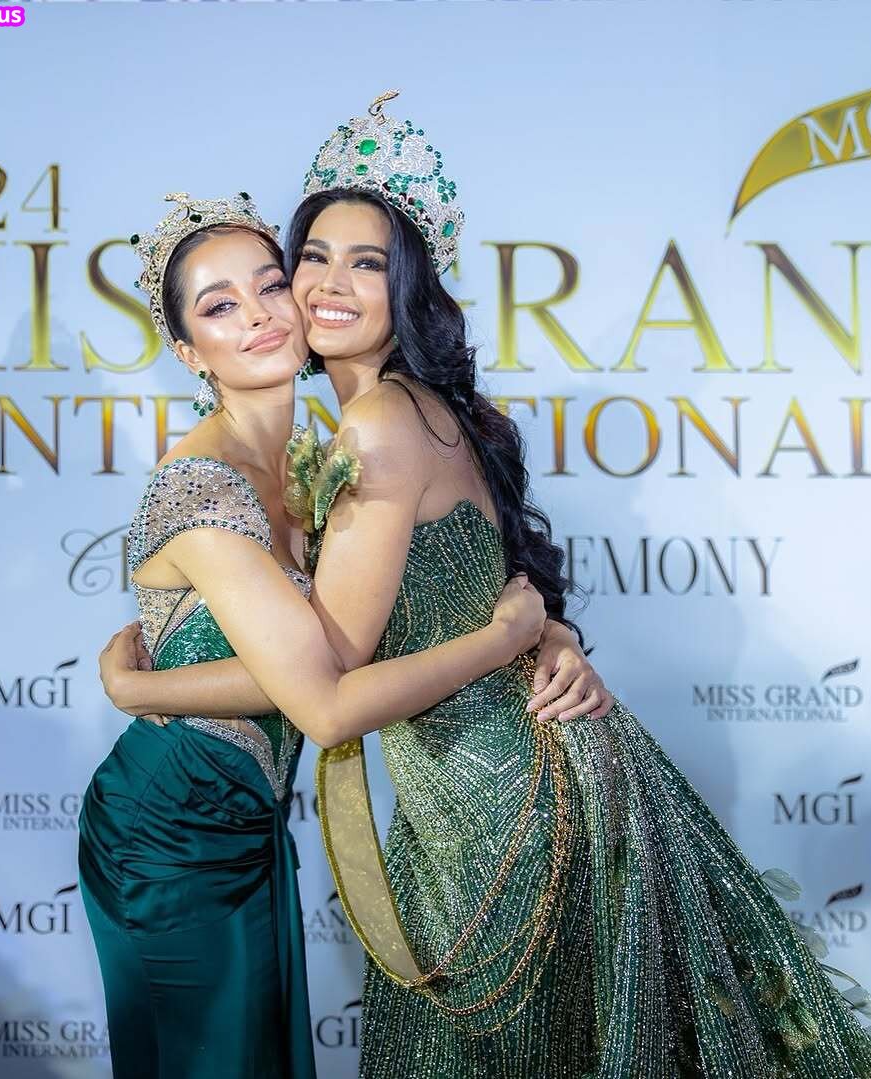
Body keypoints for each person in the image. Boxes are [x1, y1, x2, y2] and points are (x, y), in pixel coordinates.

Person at [100, 96, 871, 1079]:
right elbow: (445, 597)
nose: (324, 287)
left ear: (407, 287)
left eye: (365, 263)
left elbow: (327, 689)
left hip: (493, 814)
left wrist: (140, 685)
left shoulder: (374, 427)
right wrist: (538, 627)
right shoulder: (403, 417)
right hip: (521, 784)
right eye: (313, 259)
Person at [77, 190, 550, 1079]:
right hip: (169, 833)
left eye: (269, 285)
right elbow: (322, 698)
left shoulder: (316, 457)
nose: (259, 315)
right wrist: (507, 637)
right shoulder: (202, 489)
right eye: (220, 307)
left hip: (251, 824)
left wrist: (546, 632)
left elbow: (329, 648)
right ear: (188, 351)